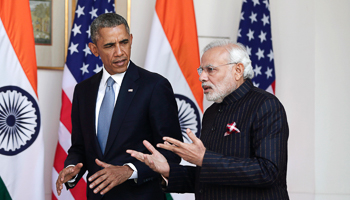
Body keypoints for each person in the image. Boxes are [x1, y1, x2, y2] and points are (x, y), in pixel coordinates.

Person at [127, 40, 289, 200]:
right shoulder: (211, 112)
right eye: (201, 70)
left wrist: (204, 159)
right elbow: (210, 177)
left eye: (210, 70)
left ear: (238, 70)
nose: (202, 77)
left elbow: (268, 172)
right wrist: (169, 170)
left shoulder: (265, 105)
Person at [56, 13, 182, 200]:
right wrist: (71, 167)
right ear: (94, 49)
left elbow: (171, 151)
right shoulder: (83, 91)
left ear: (131, 40)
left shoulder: (155, 86)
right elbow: (80, 146)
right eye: (109, 45)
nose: (119, 52)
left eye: (124, 42)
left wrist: (129, 170)